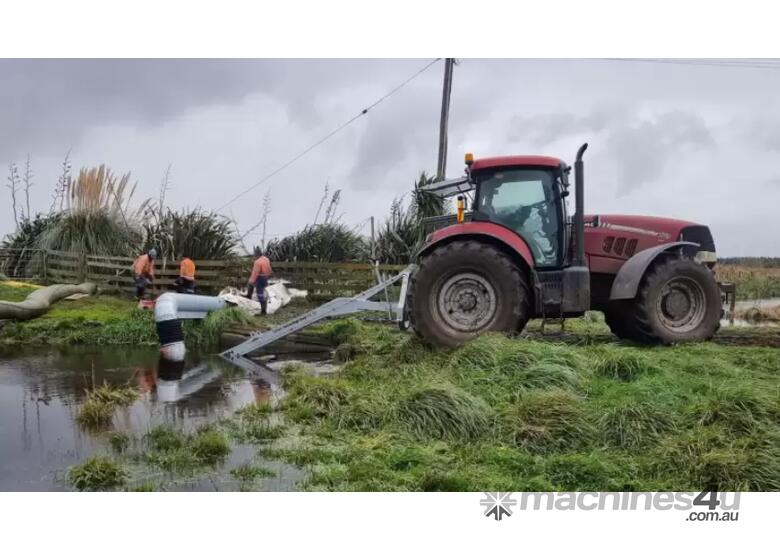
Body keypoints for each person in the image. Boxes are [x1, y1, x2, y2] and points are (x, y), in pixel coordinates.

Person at [246, 250, 272, 315]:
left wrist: (251, 281)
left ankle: (263, 311)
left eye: (254, 255)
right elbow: (269, 269)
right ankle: (249, 296)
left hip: (260, 278)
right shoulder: (266, 259)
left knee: (259, 293)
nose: (254, 257)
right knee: (260, 290)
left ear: (256, 255)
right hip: (265, 277)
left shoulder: (257, 262)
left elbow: (255, 273)